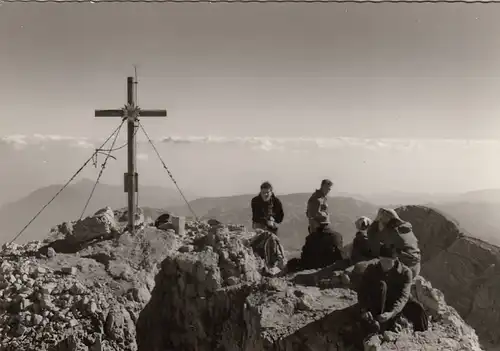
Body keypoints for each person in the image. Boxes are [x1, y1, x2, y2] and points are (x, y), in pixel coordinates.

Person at [357, 245, 413, 337]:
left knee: (417, 311)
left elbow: (403, 297)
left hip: (393, 303)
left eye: (388, 261)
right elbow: (362, 290)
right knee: (381, 285)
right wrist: (364, 309)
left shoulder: (405, 273)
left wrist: (391, 313)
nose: (385, 264)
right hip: (377, 301)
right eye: (382, 260)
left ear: (395, 260)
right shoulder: (372, 269)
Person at [367, 208, 421, 281]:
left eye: (381, 221)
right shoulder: (405, 228)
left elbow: (370, 234)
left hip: (405, 271)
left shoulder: (392, 232)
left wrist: (377, 219)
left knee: (370, 267)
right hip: (416, 267)